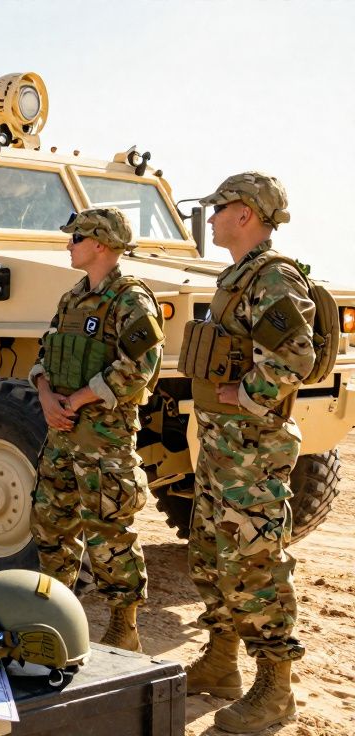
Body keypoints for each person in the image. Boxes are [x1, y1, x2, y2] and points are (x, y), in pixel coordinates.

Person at [180, 172, 311, 733]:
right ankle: (221, 662)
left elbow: (297, 356)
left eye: (220, 207)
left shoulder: (273, 278)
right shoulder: (235, 278)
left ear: (247, 214)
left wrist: (247, 393)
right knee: (213, 558)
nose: (210, 217)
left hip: (253, 453)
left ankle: (275, 689)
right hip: (222, 448)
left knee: (255, 565)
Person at [28, 207, 163, 653]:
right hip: (61, 435)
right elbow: (45, 352)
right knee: (50, 526)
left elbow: (140, 369)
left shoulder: (131, 300)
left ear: (100, 244)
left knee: (108, 532)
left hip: (103, 442)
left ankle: (124, 628)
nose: (68, 245)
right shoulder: (71, 299)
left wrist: (79, 399)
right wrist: (46, 395)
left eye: (76, 239)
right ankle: (55, 616)